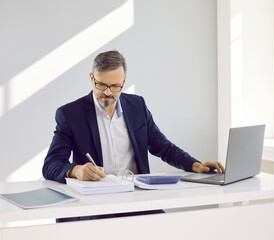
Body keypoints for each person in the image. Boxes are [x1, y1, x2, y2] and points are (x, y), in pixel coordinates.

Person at [43, 50, 224, 185]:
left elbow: (163, 147)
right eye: (101, 85)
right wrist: (76, 170)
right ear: (92, 78)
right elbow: (51, 164)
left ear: (124, 81)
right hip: (95, 201)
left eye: (114, 86)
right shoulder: (70, 114)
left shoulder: (137, 106)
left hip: (136, 196)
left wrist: (195, 165)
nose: (107, 92)